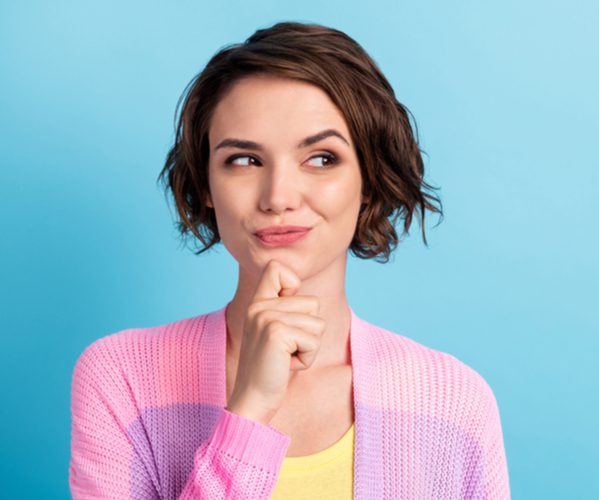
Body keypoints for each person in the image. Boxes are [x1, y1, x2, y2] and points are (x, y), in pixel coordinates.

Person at [69, 21, 510, 499]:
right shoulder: (122, 378)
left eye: (322, 159)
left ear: (368, 180)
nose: (278, 197)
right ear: (206, 185)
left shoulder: (452, 402)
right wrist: (250, 409)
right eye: (243, 160)